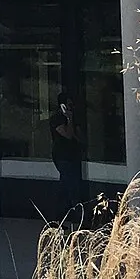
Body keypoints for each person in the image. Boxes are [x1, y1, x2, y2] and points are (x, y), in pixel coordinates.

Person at [49, 95, 85, 226]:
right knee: (71, 185)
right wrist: (69, 119)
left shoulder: (75, 117)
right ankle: (77, 216)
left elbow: (78, 136)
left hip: (73, 155)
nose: (71, 107)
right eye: (68, 104)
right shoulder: (57, 118)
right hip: (62, 155)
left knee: (65, 186)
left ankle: (58, 217)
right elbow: (68, 135)